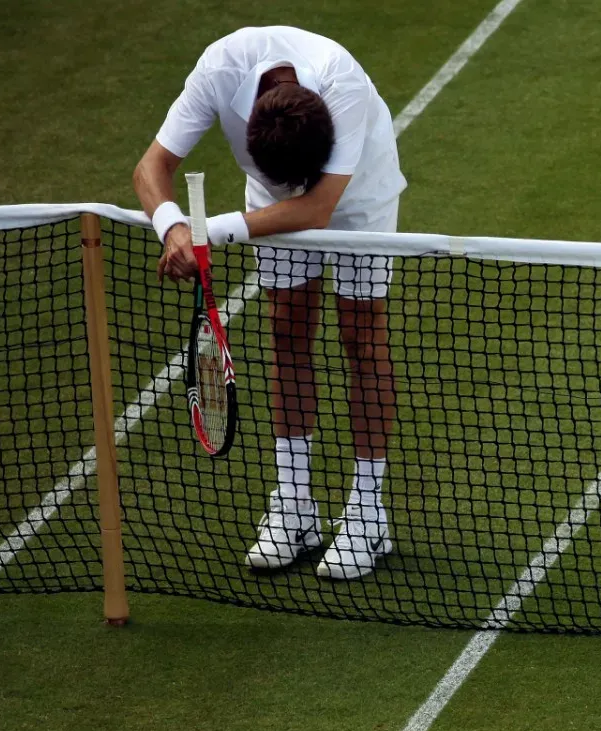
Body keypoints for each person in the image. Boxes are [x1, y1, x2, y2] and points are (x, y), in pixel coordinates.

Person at [132, 25, 405, 581]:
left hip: (357, 199)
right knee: (286, 330)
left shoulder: (342, 82)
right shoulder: (217, 69)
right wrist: (171, 226)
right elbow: (149, 169)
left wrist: (204, 232)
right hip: (269, 206)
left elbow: (317, 206)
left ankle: (367, 513)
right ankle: (294, 506)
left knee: (361, 335)